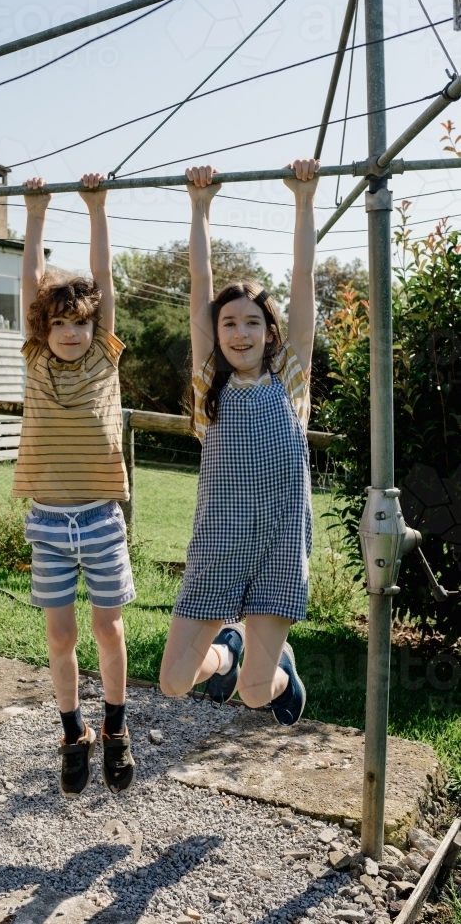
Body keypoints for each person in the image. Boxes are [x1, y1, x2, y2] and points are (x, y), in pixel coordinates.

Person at [159, 159, 320, 725]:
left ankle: (276, 669)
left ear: (270, 332)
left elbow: (304, 283)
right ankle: (226, 652)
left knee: (257, 694)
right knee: (175, 681)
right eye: (229, 323)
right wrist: (200, 207)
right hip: (218, 549)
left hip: (279, 547)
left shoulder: (290, 382)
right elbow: (200, 287)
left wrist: (304, 199)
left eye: (252, 322)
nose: (239, 332)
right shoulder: (210, 384)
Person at [14, 172, 136, 797]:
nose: (71, 334)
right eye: (59, 324)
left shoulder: (101, 358)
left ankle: (115, 726)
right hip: (47, 522)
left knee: (107, 629)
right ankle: (73, 731)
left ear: (93, 328)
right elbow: (31, 278)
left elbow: (103, 283)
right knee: (59, 635)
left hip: (98, 518)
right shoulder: (35, 357)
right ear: (44, 328)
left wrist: (96, 208)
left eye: (80, 324)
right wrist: (34, 215)